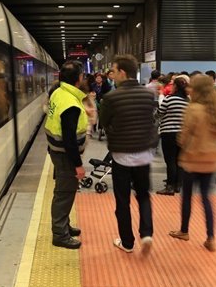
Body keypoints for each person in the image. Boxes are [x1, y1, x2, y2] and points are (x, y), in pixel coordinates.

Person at [99, 54, 158, 254]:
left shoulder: (110, 97)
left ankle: (127, 242)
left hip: (121, 156)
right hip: (144, 154)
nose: (112, 75)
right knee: (143, 195)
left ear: (122, 72)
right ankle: (147, 233)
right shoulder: (148, 94)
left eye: (114, 71)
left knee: (122, 200)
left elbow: (104, 122)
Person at [169, 74, 216, 252]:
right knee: (206, 199)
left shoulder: (193, 109)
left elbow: (183, 137)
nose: (188, 89)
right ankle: (210, 237)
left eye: (191, 87)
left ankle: (184, 230)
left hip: (193, 159)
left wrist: (183, 143)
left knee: (187, 196)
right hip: (211, 160)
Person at [44, 60, 89, 249]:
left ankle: (64, 226)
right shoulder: (70, 103)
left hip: (56, 151)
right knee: (64, 193)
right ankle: (60, 235)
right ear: (78, 79)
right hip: (65, 155)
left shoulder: (59, 93)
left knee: (65, 191)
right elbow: (69, 139)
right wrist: (78, 165)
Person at [156, 74, 189, 195]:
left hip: (168, 133)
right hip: (182, 134)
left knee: (170, 160)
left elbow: (160, 112)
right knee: (179, 160)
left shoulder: (169, 99)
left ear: (175, 87)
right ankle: (178, 185)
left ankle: (169, 186)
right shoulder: (187, 101)